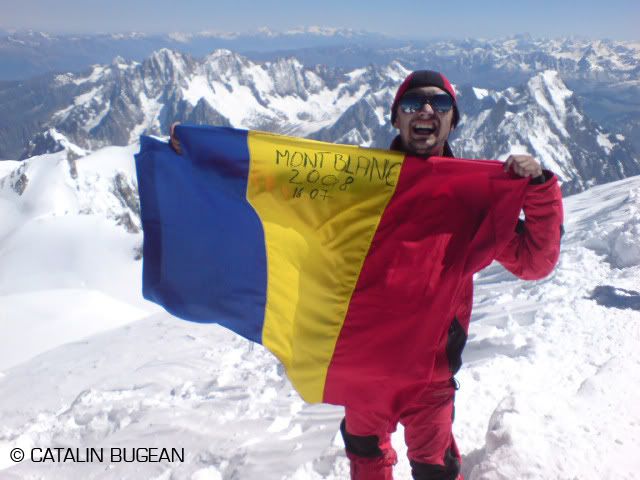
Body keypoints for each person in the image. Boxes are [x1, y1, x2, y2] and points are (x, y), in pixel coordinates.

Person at [169, 70, 564, 480]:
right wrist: (203, 155)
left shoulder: (472, 197)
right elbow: (273, 182)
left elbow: (534, 262)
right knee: (367, 461)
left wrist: (538, 188)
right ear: (396, 118)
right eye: (412, 103)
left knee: (435, 469)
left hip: (428, 378)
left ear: (453, 120)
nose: (426, 110)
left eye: (440, 103)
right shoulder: (356, 186)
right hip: (365, 368)